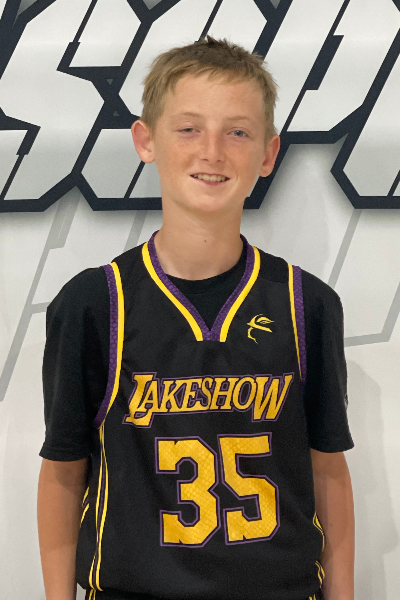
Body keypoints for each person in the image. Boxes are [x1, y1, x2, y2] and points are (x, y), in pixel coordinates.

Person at [37, 36, 354, 600]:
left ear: (268, 154)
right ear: (146, 140)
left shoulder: (307, 304)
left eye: (238, 132)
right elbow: (64, 471)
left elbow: (327, 468)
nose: (212, 151)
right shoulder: (95, 303)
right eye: (188, 128)